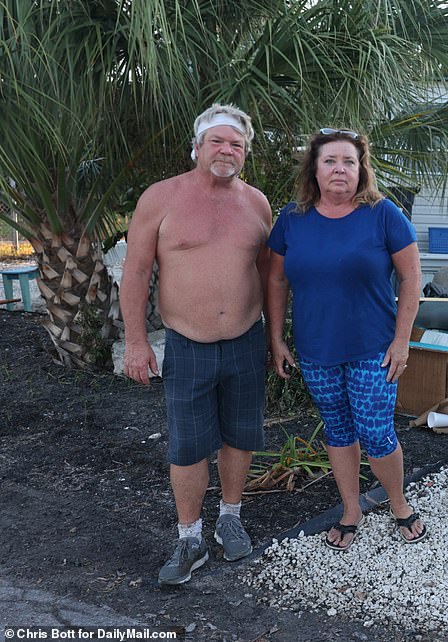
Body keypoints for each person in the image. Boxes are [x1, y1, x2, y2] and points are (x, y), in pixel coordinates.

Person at [120, 103, 272, 585]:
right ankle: (190, 538)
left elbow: (270, 275)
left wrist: (274, 338)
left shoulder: (257, 204)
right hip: (188, 343)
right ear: (198, 145)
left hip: (246, 341)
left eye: (236, 144)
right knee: (187, 447)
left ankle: (230, 517)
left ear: (244, 152)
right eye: (218, 141)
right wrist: (136, 342)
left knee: (241, 435)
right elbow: (137, 272)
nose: (227, 150)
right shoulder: (161, 199)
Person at [266, 127, 425, 551]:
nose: (340, 169)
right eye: (330, 161)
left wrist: (402, 341)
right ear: (314, 170)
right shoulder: (291, 219)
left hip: (374, 349)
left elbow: (411, 278)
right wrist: (276, 338)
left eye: (349, 162)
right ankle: (351, 509)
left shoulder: (383, 213)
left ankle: (398, 503)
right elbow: (277, 280)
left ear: (361, 170)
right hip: (316, 350)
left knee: (376, 433)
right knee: (338, 430)